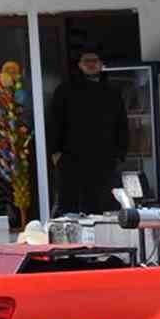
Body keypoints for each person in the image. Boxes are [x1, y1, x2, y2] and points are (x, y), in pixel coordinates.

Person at [48, 49, 129, 215]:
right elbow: (55, 122)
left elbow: (121, 123)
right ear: (79, 65)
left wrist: (120, 153)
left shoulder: (111, 91)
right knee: (70, 206)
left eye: (95, 60)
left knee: (103, 204)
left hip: (104, 158)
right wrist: (55, 152)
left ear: (101, 64)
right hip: (72, 158)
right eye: (87, 61)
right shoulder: (65, 90)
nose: (91, 64)